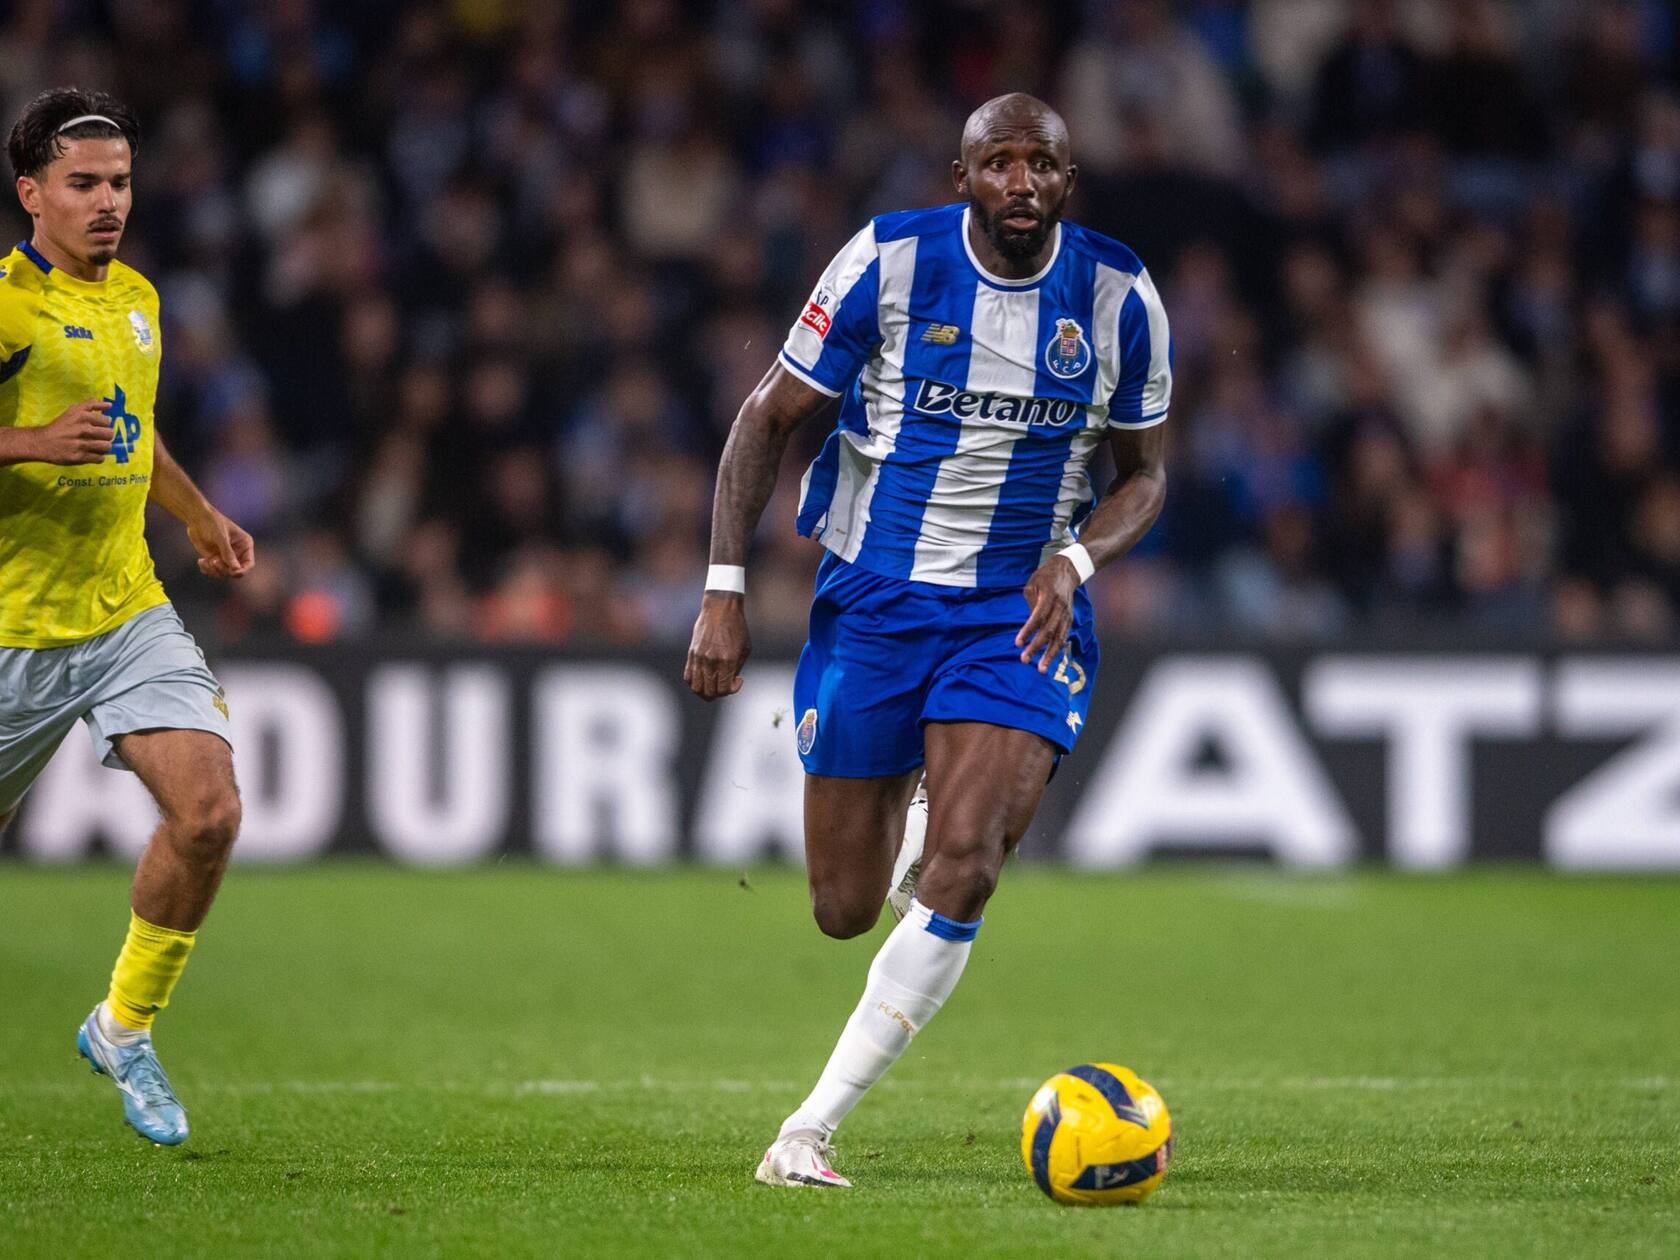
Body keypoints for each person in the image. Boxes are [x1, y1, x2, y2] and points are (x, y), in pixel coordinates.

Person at [684, 93, 1171, 1187]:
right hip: (877, 599)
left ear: (1065, 181)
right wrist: (722, 588)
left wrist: (1077, 559)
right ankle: (909, 808)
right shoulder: (887, 264)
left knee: (966, 868)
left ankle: (806, 1130)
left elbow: (1146, 476)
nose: (1019, 184)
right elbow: (766, 417)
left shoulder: (1117, 296)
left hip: (1022, 609)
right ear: (963, 178)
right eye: (996, 163)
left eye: (1039, 164)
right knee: (844, 908)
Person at [0, 89, 254, 1146]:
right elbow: (58, 438)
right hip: (11, 628)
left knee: (209, 814)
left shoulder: (140, 299)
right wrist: (24, 444)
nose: (109, 203)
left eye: (121, 184)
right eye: (85, 185)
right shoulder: (6, 304)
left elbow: (132, 436)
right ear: (32, 195)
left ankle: (124, 1025)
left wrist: (199, 516)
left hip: (121, 611)